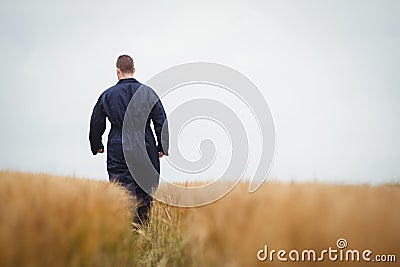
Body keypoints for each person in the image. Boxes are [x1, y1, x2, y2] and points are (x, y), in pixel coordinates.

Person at [89, 55, 168, 225]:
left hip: (119, 145)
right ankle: (141, 232)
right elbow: (161, 119)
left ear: (118, 71)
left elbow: (96, 121)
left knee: (122, 189)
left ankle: (126, 233)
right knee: (144, 190)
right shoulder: (148, 93)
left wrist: (97, 144)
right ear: (134, 70)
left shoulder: (108, 94)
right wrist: (162, 146)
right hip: (145, 144)